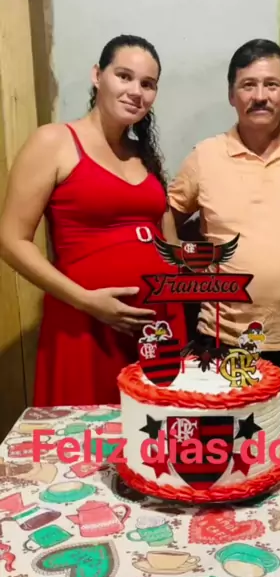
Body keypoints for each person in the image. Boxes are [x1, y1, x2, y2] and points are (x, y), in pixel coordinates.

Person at [0, 34, 186, 406]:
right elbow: (11, 240)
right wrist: (87, 301)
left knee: (156, 433)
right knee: (91, 432)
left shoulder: (144, 155)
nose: (136, 91)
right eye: (124, 76)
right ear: (97, 75)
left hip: (158, 328)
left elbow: (170, 244)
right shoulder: (54, 141)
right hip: (86, 324)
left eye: (147, 84)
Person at [167, 38, 280, 399]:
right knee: (222, 428)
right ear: (232, 95)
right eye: (248, 85)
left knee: (279, 424)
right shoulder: (205, 156)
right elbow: (167, 216)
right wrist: (186, 271)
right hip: (221, 336)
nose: (260, 96)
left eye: (271, 85)